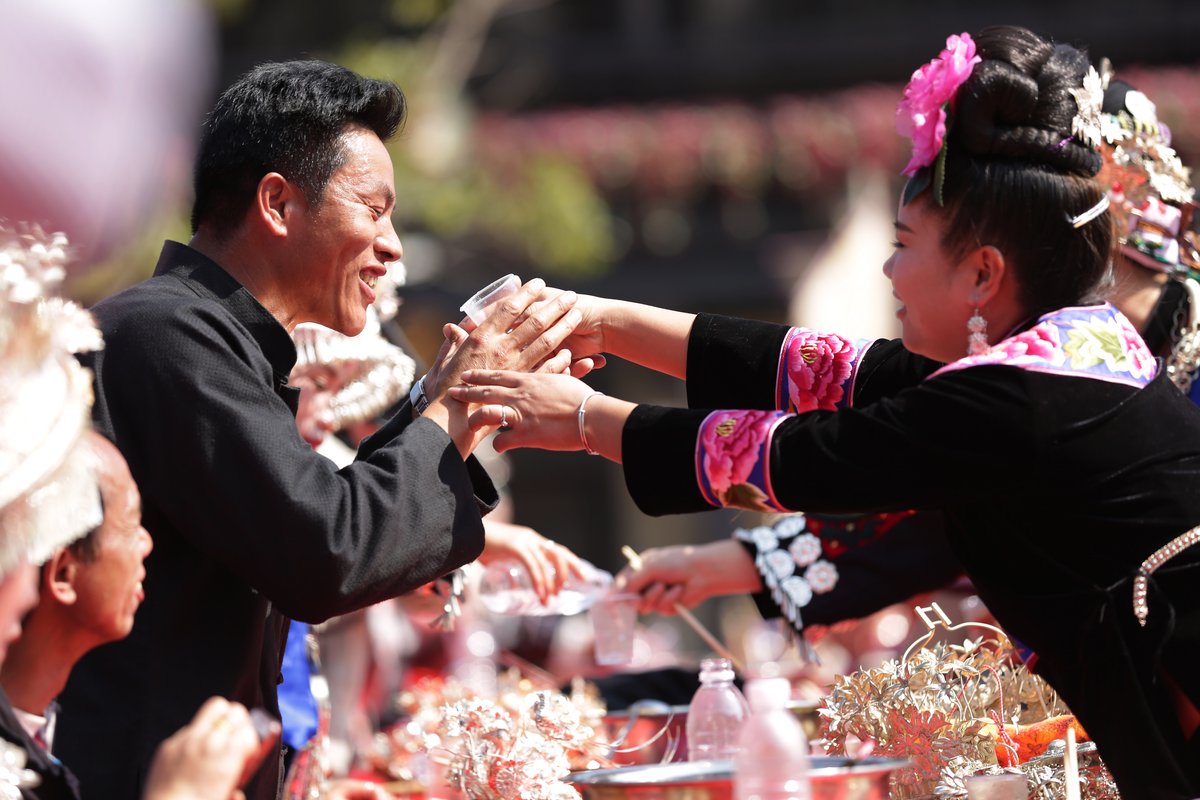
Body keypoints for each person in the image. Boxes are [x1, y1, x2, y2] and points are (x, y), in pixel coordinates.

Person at [449, 27, 1200, 799]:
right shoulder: (1067, 358)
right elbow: (821, 368)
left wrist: (583, 420)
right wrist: (599, 320)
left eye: (905, 244)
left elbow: (800, 458)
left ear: (983, 273)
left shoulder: (1020, 396)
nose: (887, 267)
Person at [62, 60, 584, 800]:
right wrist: (454, 406)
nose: (393, 244)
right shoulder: (168, 334)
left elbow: (321, 514)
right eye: (375, 209)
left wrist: (437, 398)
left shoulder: (199, 335)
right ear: (277, 202)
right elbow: (325, 549)